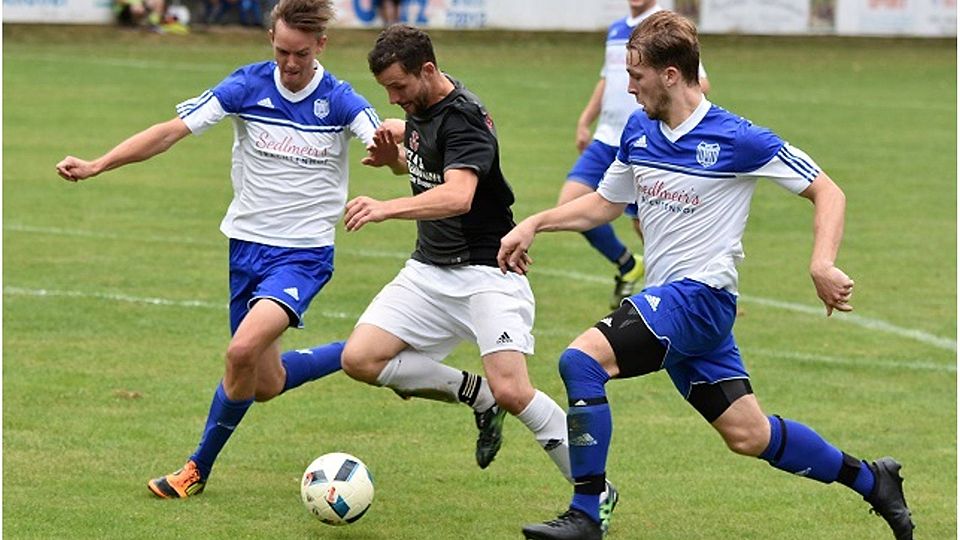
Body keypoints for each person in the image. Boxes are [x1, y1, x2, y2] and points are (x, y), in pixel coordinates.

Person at [499, 11, 914, 540]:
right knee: (749, 435)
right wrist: (536, 222)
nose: (629, 87)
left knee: (581, 361)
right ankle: (873, 480)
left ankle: (586, 512)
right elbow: (604, 204)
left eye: (636, 75)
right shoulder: (638, 130)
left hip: (700, 299)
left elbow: (827, 191)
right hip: (676, 308)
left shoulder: (739, 138)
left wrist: (821, 262)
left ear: (671, 75)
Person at [56, 0, 385, 499]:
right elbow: (170, 133)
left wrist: (391, 158)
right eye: (281, 52)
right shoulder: (246, 86)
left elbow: (387, 148)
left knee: (240, 351)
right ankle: (361, 349)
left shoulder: (340, 100)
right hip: (246, 248)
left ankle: (196, 469)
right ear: (271, 41)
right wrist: (98, 164)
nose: (290, 63)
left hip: (302, 255)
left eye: (300, 53)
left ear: (321, 45)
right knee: (264, 382)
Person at [341, 23, 620, 531]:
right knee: (360, 358)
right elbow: (424, 164)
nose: (393, 98)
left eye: (398, 86)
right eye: (387, 89)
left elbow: (458, 195)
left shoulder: (465, 117)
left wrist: (385, 207)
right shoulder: (420, 106)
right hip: (428, 270)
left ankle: (595, 491)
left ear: (428, 70)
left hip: (487, 273)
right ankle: (476, 394)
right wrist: (395, 160)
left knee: (515, 390)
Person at [564, 0, 710, 310]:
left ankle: (684, 293)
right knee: (570, 204)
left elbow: (698, 83)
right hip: (607, 138)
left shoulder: (665, 28)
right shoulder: (617, 30)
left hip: (645, 142)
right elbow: (607, 80)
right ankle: (628, 264)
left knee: (648, 226)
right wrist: (585, 120)